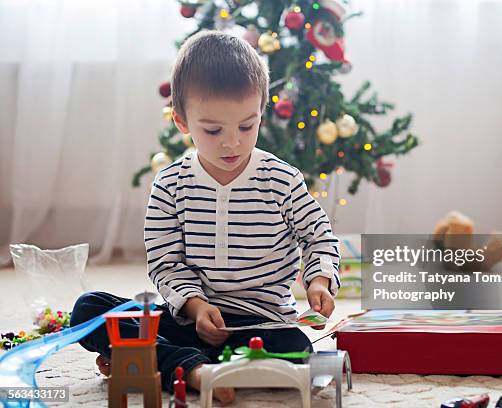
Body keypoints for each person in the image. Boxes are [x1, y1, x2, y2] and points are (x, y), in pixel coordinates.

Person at [71, 30, 340, 405]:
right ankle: (191, 368)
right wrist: (196, 307)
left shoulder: (281, 179)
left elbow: (319, 237)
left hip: (261, 324)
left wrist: (320, 280)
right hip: (188, 321)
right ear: (182, 122)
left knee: (298, 349)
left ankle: (151, 362)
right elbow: (165, 263)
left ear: (262, 110)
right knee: (89, 310)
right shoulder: (170, 185)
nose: (232, 142)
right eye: (213, 130)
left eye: (247, 126)